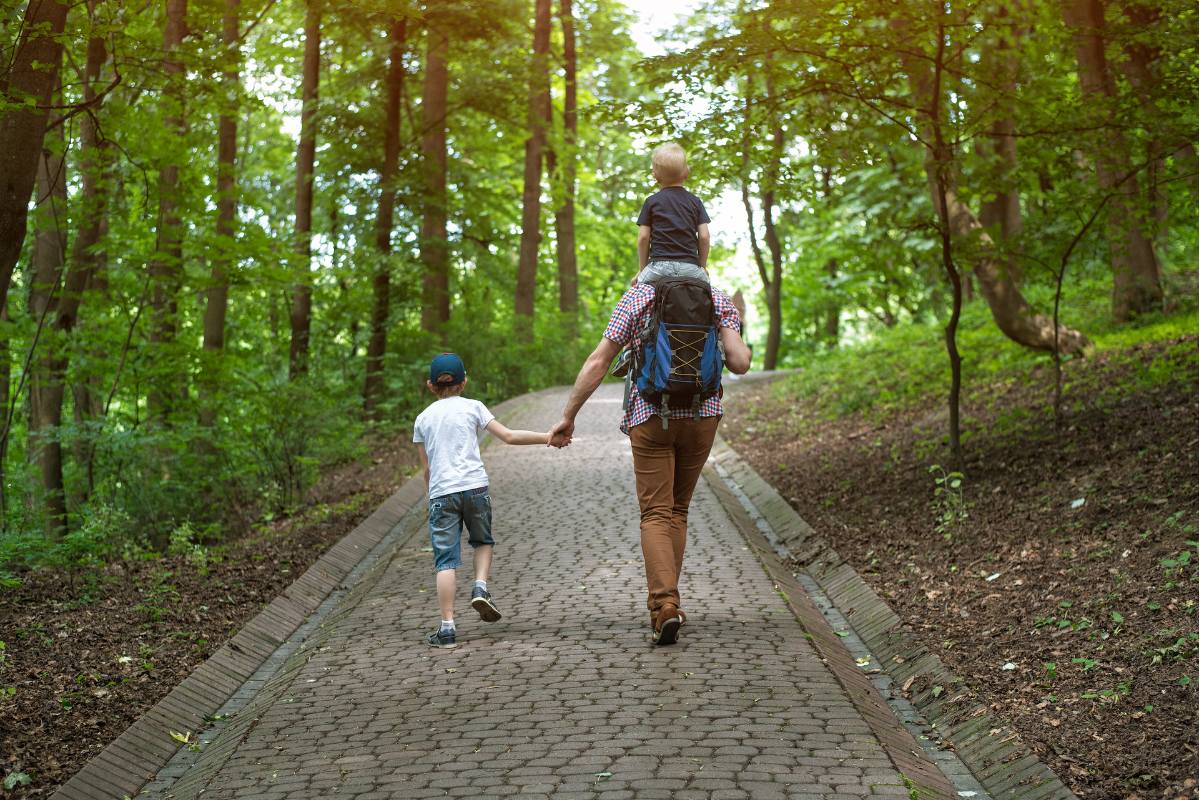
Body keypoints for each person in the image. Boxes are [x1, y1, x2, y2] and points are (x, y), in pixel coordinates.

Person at [548, 283, 752, 646]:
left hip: (651, 416)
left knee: (656, 513)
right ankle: (668, 601)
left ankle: (665, 606)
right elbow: (741, 363)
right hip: (702, 415)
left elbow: (599, 361)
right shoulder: (716, 297)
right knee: (678, 510)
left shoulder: (638, 296)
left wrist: (569, 415)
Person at [413, 353, 553, 649]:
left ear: (430, 385)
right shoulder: (474, 407)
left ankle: (447, 628)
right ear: (464, 382)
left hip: (442, 494)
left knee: (445, 562)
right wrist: (548, 437)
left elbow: (426, 470)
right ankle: (480, 586)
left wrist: (432, 496)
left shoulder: (422, 419)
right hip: (475, 488)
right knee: (483, 541)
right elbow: (510, 436)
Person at [633, 142, 711, 286]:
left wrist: (642, 270)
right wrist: (702, 266)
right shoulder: (695, 202)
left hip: (659, 268)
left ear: (655, 176)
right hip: (691, 268)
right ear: (686, 173)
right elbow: (704, 237)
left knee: (633, 299)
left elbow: (643, 238)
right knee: (712, 298)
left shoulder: (651, 202)